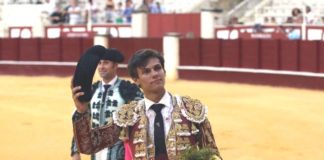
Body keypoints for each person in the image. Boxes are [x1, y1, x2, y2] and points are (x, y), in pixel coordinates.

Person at [71, 49, 222, 160]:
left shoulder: (190, 109)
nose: (155, 74)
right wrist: (82, 112)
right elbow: (90, 145)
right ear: (136, 80)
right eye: (146, 71)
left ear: (164, 71)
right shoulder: (128, 116)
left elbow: (212, 154)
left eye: (157, 68)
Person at [71, 48, 143, 160]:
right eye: (99, 63)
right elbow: (82, 120)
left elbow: (142, 121)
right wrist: (75, 151)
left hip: (120, 152)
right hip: (95, 152)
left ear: (115, 65)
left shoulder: (128, 89)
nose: (101, 67)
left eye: (106, 63)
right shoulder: (91, 89)